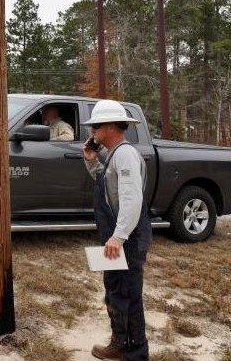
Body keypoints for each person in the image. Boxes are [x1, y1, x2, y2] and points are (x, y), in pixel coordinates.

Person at [82, 100, 151, 361]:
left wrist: (119, 236)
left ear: (110, 126)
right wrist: (92, 161)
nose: (93, 132)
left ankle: (135, 353)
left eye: (96, 126)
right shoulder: (113, 154)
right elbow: (110, 188)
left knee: (128, 296)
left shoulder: (125, 154)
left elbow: (131, 199)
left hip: (128, 239)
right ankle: (119, 344)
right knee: (115, 291)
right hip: (119, 237)